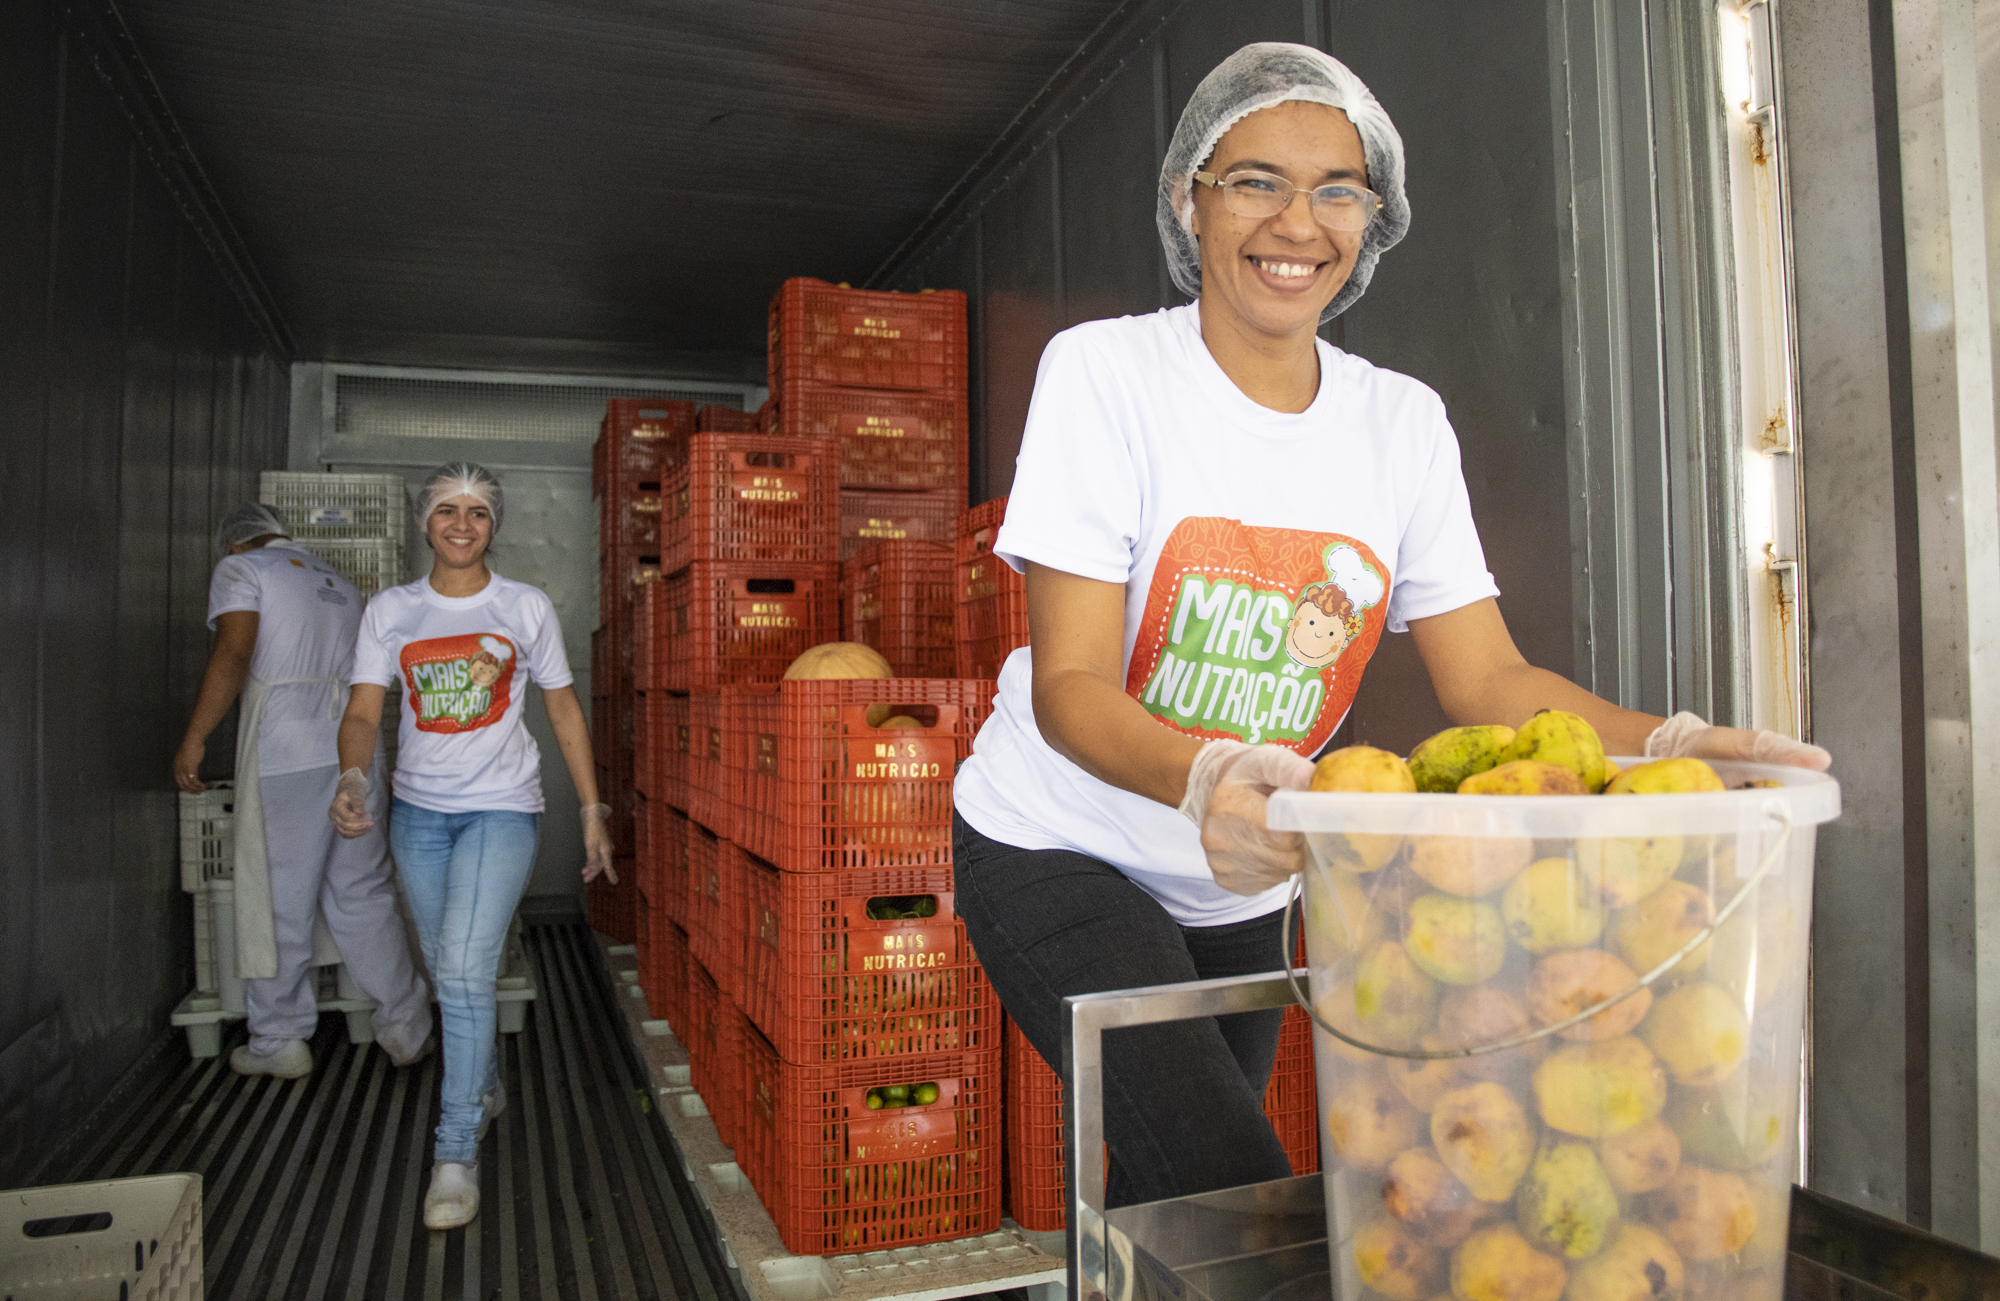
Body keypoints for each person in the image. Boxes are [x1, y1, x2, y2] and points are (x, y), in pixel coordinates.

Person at [949, 42, 1833, 1210]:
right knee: (1231, 1182)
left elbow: (1487, 678)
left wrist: (1663, 747)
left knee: (1174, 1203)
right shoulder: (1105, 375)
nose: (1296, 222)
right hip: (1059, 841)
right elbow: (1066, 683)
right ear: (1187, 200)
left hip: (1245, 878)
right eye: (1254, 181)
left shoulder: (1400, 423)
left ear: (1372, 218)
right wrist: (1204, 776)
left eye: (1337, 190)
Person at [330, 462, 617, 1231]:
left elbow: (563, 709)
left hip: (501, 809)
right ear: (425, 521)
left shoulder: (523, 606)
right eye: (448, 510)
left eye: (479, 512)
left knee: (461, 970)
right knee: (448, 968)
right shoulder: (392, 610)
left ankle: (454, 1151)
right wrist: (352, 775)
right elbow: (363, 710)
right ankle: (484, 1086)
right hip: (418, 815)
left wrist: (592, 808)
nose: (462, 524)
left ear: (495, 524)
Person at [174, 502, 433, 1079]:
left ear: (235, 543)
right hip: (355, 754)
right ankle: (407, 1026)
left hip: (285, 751)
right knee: (363, 891)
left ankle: (278, 1039)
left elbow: (234, 652)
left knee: (278, 896)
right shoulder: (339, 583)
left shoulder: (242, 569)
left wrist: (195, 738)